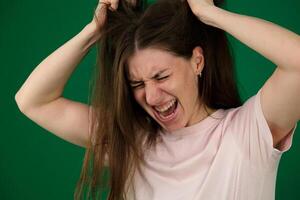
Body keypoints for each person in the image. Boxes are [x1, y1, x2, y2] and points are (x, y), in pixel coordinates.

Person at [15, 0, 299, 199]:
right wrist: (95, 32)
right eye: (137, 83)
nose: (150, 96)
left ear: (197, 61)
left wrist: (209, 14)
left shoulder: (247, 132)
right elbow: (32, 100)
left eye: (162, 77)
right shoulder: (132, 143)